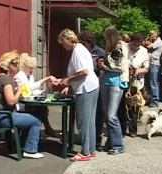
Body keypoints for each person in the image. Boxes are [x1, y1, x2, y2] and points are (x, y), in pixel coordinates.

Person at [55, 29, 99, 161]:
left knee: (83, 121)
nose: (63, 46)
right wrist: (66, 81)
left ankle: (85, 152)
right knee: (90, 120)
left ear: (69, 40)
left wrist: (68, 80)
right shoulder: (82, 48)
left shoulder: (77, 51)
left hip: (85, 87)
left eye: (63, 43)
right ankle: (90, 149)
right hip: (92, 85)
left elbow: (84, 72)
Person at [0, 50, 44, 159]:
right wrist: (19, 91)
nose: (17, 66)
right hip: (5, 116)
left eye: (17, 63)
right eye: (14, 63)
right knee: (37, 120)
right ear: (7, 64)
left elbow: (1, 94)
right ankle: (30, 150)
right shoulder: (6, 79)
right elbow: (11, 101)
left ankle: (22, 144)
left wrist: (14, 89)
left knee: (29, 116)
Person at [98, 24, 129, 155]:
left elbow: (119, 68)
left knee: (111, 115)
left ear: (110, 35)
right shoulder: (109, 47)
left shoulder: (120, 47)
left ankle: (118, 145)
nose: (103, 37)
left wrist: (104, 66)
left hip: (116, 83)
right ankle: (111, 142)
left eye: (105, 35)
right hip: (105, 82)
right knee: (107, 115)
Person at [14, 53, 59, 137]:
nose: (32, 70)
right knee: (41, 109)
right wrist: (47, 78)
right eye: (30, 68)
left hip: (28, 101)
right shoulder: (19, 76)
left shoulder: (30, 76)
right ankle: (45, 130)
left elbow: (33, 90)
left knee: (43, 108)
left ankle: (45, 129)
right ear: (25, 67)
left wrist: (43, 91)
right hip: (20, 104)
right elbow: (28, 89)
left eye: (33, 68)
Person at [77, 31, 106, 151]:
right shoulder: (82, 50)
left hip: (94, 82)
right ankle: (91, 146)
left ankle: (94, 144)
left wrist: (101, 67)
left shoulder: (99, 51)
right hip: (90, 82)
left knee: (96, 115)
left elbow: (105, 69)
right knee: (90, 117)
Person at [126, 32, 149, 138]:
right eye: (133, 44)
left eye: (137, 45)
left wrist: (138, 71)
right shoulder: (125, 48)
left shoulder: (144, 51)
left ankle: (132, 129)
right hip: (125, 79)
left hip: (136, 83)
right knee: (124, 105)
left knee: (134, 105)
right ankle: (121, 128)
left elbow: (146, 68)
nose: (135, 46)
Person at [145, 30, 162, 108]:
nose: (150, 36)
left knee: (153, 83)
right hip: (149, 63)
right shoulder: (154, 41)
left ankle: (155, 101)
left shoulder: (158, 41)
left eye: (151, 35)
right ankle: (150, 99)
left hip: (154, 64)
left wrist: (147, 42)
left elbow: (149, 46)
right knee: (147, 83)